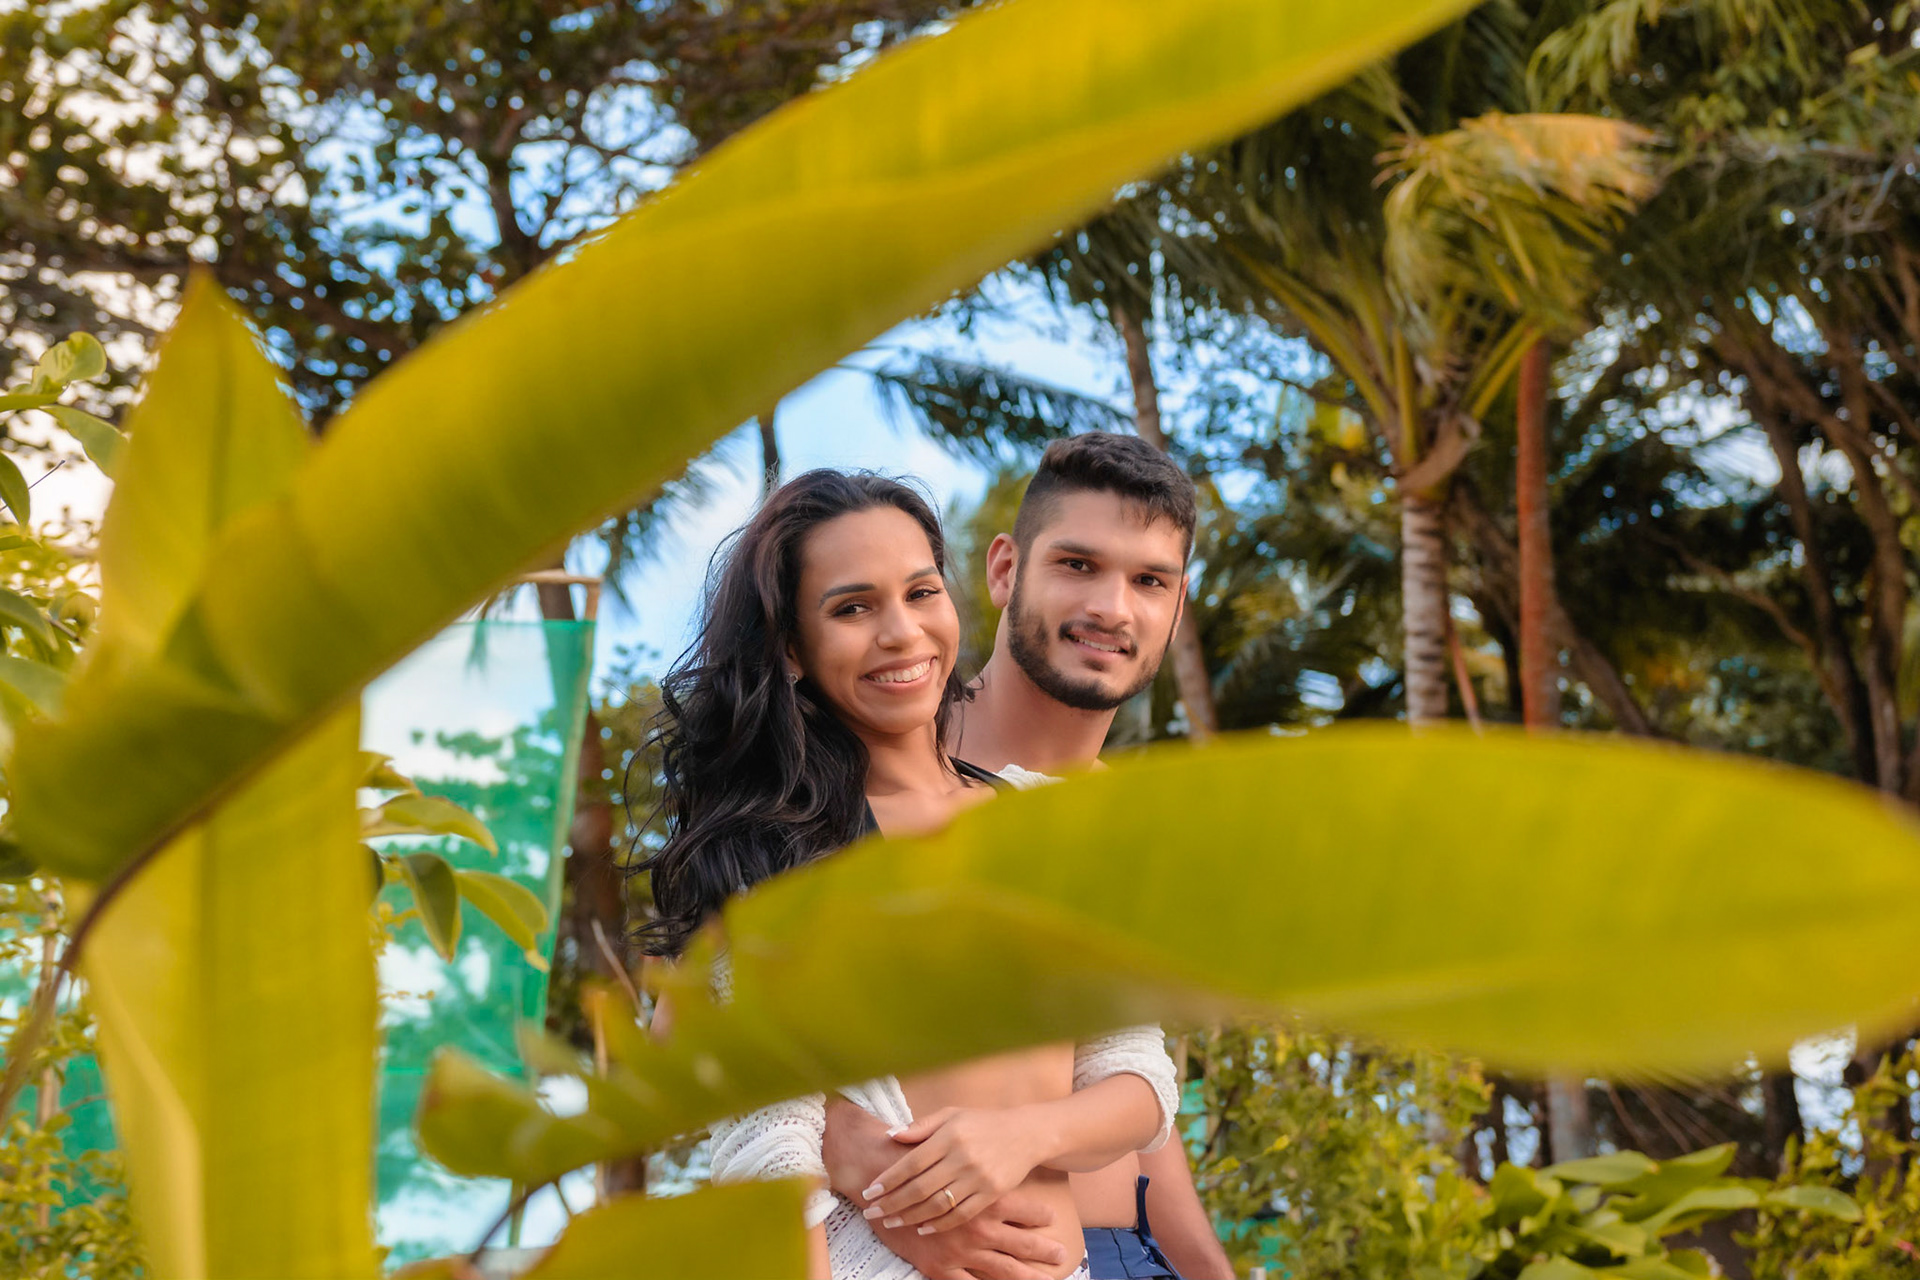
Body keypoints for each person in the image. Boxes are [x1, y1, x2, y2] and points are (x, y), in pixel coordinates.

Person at [639, 469, 1182, 1280]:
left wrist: (1022, 1135)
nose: (901, 632)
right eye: (852, 608)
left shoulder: (1046, 823)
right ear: (792, 649)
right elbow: (769, 1150)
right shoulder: (786, 860)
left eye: (920, 592)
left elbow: (1139, 1079)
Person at [821, 435, 1237, 1280]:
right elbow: (702, 1015)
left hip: (1124, 1253)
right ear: (1005, 569)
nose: (1113, 608)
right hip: (936, 1252)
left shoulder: (1118, 830)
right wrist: (874, 1171)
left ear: (1177, 603)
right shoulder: (868, 763)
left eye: (1149, 580)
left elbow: (1128, 1087)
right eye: (1079, 564)